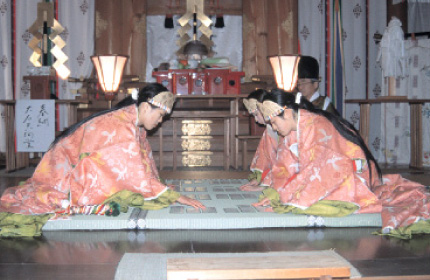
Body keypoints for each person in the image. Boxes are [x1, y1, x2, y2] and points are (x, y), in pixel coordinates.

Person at [0, 83, 205, 217]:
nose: (160, 121)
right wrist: (172, 196)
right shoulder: (121, 126)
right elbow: (134, 174)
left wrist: (159, 187)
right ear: (144, 108)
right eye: (159, 115)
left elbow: (142, 164)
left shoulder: (130, 121)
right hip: (63, 173)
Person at [253, 89, 430, 237]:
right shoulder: (295, 127)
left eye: (274, 123)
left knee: (314, 204)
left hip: (353, 171)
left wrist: (292, 195)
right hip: (331, 172)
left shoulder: (315, 126)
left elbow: (317, 169)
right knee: (292, 196)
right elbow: (285, 165)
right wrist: (279, 190)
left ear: (289, 113)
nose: (274, 128)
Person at [240, 89, 278, 192]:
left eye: (256, 115)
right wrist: (260, 178)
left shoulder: (282, 127)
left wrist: (265, 185)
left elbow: (285, 161)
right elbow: (265, 157)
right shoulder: (269, 130)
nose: (256, 120)